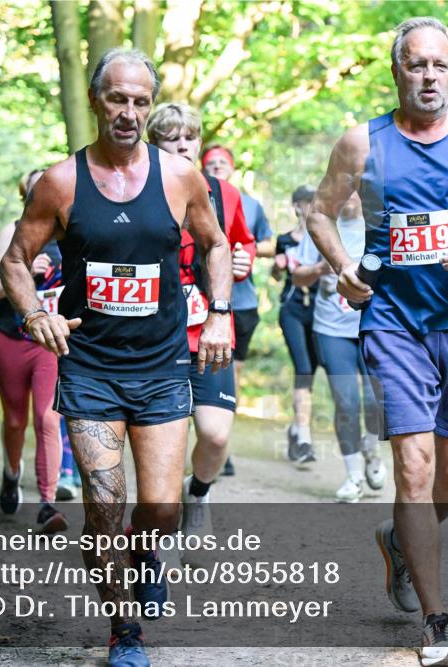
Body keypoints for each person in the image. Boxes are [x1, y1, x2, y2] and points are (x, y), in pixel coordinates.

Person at [306, 17, 448, 666]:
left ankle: (400, 539)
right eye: (416, 65)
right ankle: (438, 628)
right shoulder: (362, 142)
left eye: (439, 65)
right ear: (396, 71)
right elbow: (321, 210)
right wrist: (343, 268)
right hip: (394, 322)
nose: (428, 76)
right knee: (414, 467)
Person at [0, 49, 232, 667]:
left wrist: (219, 312)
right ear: (97, 102)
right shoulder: (62, 181)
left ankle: (144, 551)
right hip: (91, 368)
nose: (128, 112)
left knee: (160, 510)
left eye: (140, 101)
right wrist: (35, 315)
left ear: (149, 106)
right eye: (117, 99)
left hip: (160, 367)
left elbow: (215, 244)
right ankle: (125, 631)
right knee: (104, 508)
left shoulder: (181, 178)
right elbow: (15, 261)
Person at [145, 103, 256, 561]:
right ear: (155, 144)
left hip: (211, 329)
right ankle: (164, 532)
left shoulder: (225, 193)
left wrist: (246, 261)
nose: (183, 144)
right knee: (165, 441)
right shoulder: (139, 190)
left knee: (213, 435)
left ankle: (200, 493)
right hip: (155, 338)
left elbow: (240, 244)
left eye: (190, 136)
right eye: (171, 137)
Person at [0, 169, 67, 534]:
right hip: (9, 336)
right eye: (35, 185)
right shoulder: (10, 231)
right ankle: (11, 473)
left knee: (48, 419)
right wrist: (25, 272)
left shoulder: (71, 233)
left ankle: (47, 504)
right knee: (15, 420)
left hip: (49, 341)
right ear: (26, 195)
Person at [292, 191, 386, 502]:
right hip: (332, 328)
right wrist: (321, 268)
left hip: (374, 325)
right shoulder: (320, 227)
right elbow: (298, 278)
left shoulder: (379, 227)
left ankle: (372, 447)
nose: (348, 199)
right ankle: (353, 476)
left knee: (377, 401)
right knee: (346, 404)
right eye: (341, 193)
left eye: (355, 193)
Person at [202, 144, 276, 476]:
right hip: (200, 301)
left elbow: (268, 242)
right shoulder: (193, 192)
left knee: (234, 371)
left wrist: (245, 252)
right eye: (211, 162)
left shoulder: (249, 203)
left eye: (222, 163)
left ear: (231, 168)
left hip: (241, 302)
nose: (217, 167)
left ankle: (223, 441)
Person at [273, 185, 320, 464]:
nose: (311, 206)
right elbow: (277, 275)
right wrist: (278, 266)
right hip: (291, 308)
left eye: (315, 201)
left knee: (311, 371)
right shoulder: (285, 240)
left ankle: (295, 428)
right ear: (297, 206)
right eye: (306, 202)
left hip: (319, 311)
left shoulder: (325, 238)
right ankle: (304, 437)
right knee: (302, 368)